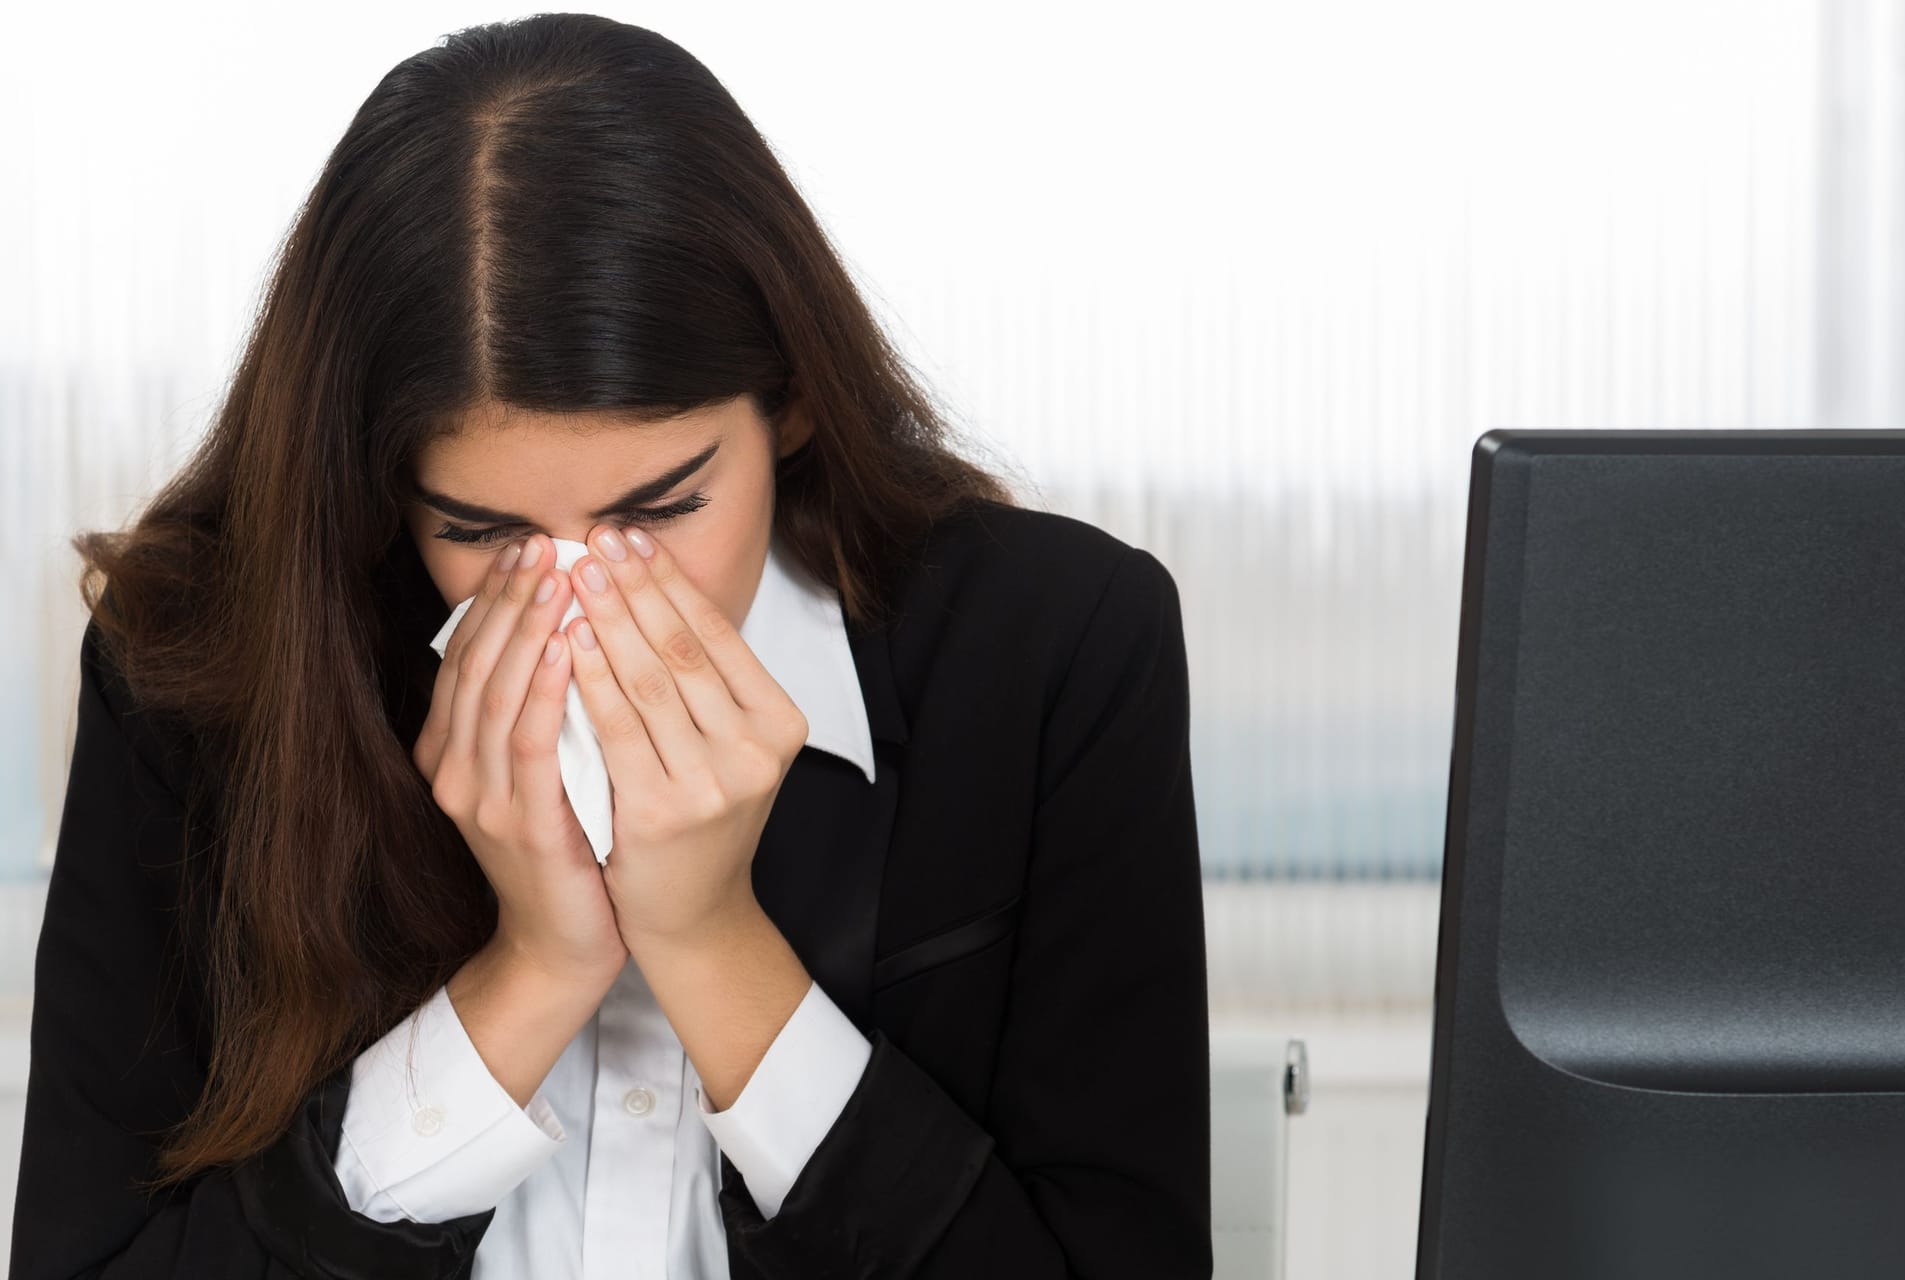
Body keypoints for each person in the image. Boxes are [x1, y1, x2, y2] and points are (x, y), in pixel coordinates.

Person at [9, 13, 1211, 1279]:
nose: (576, 597)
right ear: (381, 483)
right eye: (480, 528)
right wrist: (527, 977)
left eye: (658, 509)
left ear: (792, 400)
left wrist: (711, 943)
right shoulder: (202, 671)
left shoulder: (1056, 652)